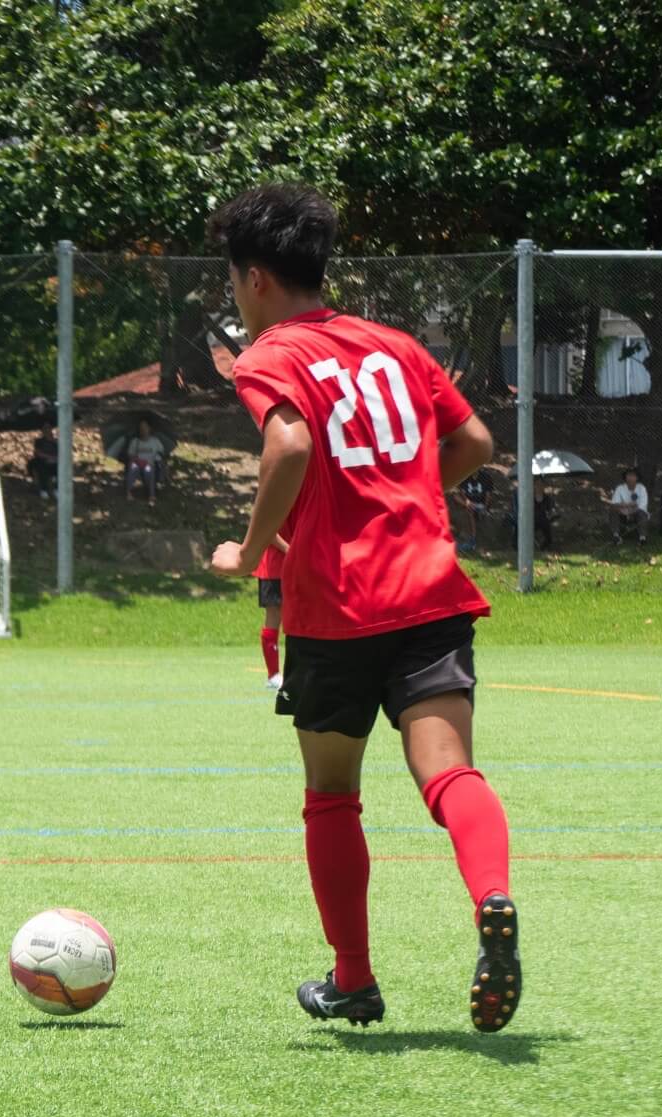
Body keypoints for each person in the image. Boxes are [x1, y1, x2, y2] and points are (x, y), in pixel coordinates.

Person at [205, 183, 519, 1033]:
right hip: (429, 591)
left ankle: (354, 979)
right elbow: (476, 442)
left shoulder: (268, 355)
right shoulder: (396, 345)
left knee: (332, 793)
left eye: (233, 280)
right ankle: (492, 895)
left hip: (337, 604)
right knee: (448, 771)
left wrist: (250, 549)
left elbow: (291, 443)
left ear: (257, 278)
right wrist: (405, 496)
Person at [255, 533, 289, 691]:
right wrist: (289, 549)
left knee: (298, 619)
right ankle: (273, 675)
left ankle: (297, 673)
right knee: (274, 616)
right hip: (273, 567)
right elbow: (269, 533)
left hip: (295, 566)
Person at [121, 417, 164, 506]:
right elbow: (130, 455)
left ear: (149, 428)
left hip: (150, 464)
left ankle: (151, 495)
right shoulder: (135, 442)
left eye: (145, 427)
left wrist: (156, 460)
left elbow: (161, 454)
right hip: (137, 463)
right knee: (133, 468)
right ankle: (129, 492)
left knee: (149, 470)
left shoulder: (155, 441)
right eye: (141, 428)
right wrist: (135, 458)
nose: (143, 430)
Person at [608, 466, 649, 545]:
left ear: (637, 478)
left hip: (636, 513)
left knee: (642, 513)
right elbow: (614, 504)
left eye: (633, 476)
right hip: (622, 513)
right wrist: (626, 506)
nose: (630, 478)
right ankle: (616, 536)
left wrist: (631, 510)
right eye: (629, 475)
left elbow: (642, 506)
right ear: (625, 477)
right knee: (613, 510)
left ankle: (642, 538)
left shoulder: (642, 488)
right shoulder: (620, 488)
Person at [451, 470, 489, 551]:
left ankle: (473, 539)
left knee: (470, 512)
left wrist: (485, 507)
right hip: (469, 503)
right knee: (455, 496)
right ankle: (470, 507)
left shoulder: (485, 477)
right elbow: (462, 491)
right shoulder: (465, 475)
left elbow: (488, 494)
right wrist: (467, 502)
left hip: (480, 504)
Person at [28, 427, 59, 500]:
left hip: (55, 462)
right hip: (43, 462)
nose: (48, 432)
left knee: (59, 469)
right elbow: (38, 453)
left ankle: (56, 489)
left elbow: (62, 453)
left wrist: (55, 458)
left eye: (49, 429)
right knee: (41, 468)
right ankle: (43, 489)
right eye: (46, 430)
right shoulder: (39, 441)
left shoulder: (57, 442)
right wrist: (49, 457)